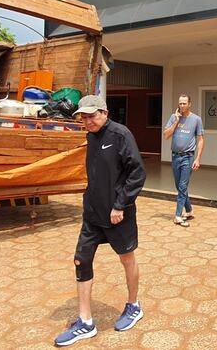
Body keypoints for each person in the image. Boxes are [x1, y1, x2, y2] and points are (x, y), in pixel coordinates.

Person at [54, 95, 146, 346]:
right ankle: (85, 322)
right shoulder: (91, 136)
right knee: (81, 260)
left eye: (92, 116)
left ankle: (134, 305)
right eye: (83, 117)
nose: (87, 121)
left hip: (118, 214)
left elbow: (137, 173)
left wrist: (120, 204)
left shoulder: (120, 135)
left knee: (127, 259)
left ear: (105, 112)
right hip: (93, 213)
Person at [162, 93, 204, 227]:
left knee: (182, 186)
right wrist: (176, 121)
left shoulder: (196, 119)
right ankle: (190, 210)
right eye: (180, 103)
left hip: (188, 157)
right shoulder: (174, 117)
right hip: (175, 156)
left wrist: (197, 158)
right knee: (179, 187)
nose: (182, 105)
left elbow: (200, 139)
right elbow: (166, 136)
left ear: (189, 104)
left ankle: (178, 215)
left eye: (184, 103)